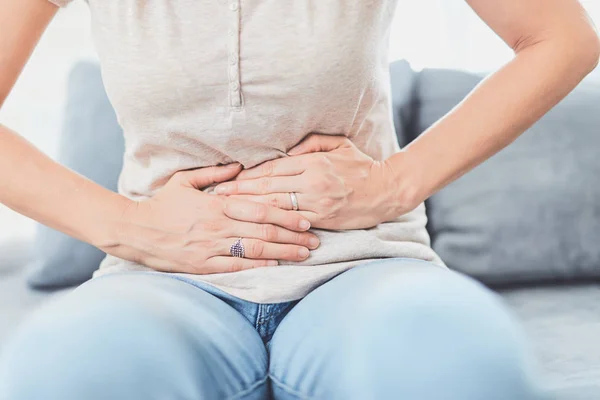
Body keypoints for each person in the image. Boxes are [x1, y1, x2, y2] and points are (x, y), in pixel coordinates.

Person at [0, 0, 598, 399]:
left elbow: (560, 38)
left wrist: (396, 181)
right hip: (160, 281)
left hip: (363, 267)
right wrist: (126, 227)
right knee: (65, 372)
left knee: (455, 362)